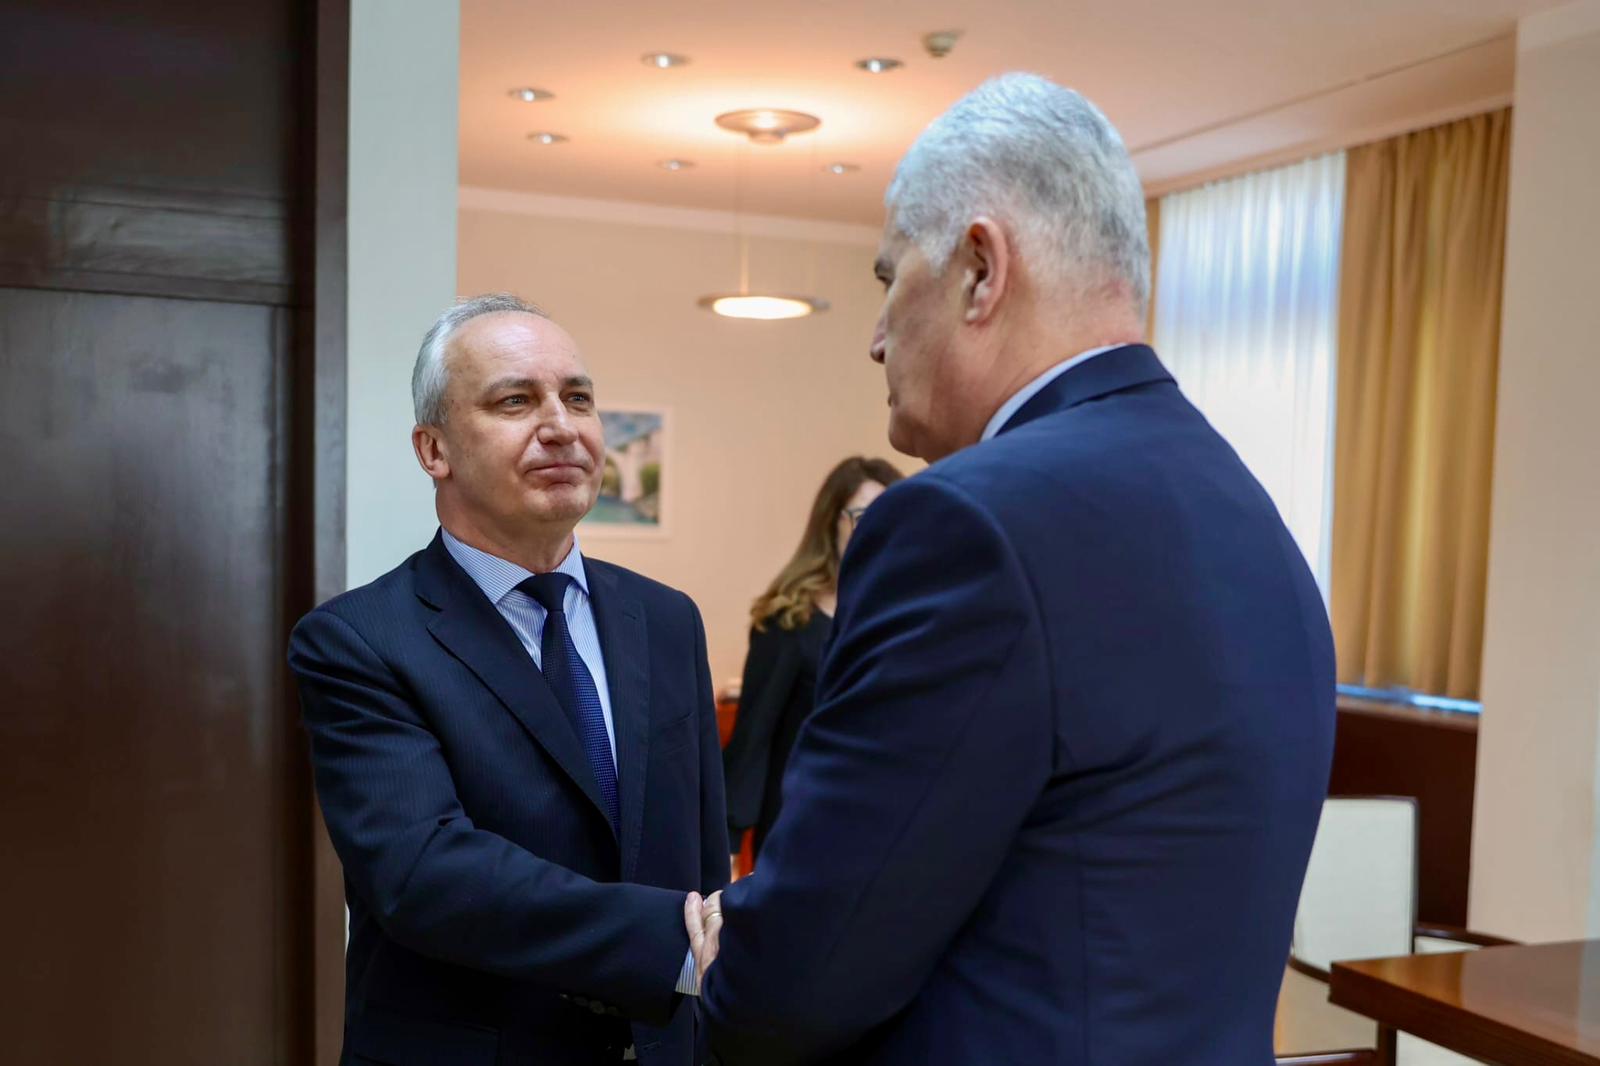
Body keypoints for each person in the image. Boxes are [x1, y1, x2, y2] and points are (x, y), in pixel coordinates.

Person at [690, 74, 1337, 1065]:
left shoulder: (964, 523)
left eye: (888, 277)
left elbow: (800, 984)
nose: (875, 338)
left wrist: (730, 971)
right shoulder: (1250, 510)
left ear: (980, 271)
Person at [288, 294, 728, 1066]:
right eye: (515, 401)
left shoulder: (666, 619)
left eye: (578, 398)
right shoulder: (359, 641)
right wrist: (669, 944)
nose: (561, 425)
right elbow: (423, 873)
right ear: (434, 450)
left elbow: (702, 855)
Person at [722, 456, 904, 869]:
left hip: (885, 825)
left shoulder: (906, 613)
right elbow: (754, 739)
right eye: (862, 515)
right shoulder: (790, 619)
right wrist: (729, 842)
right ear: (830, 522)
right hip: (802, 827)